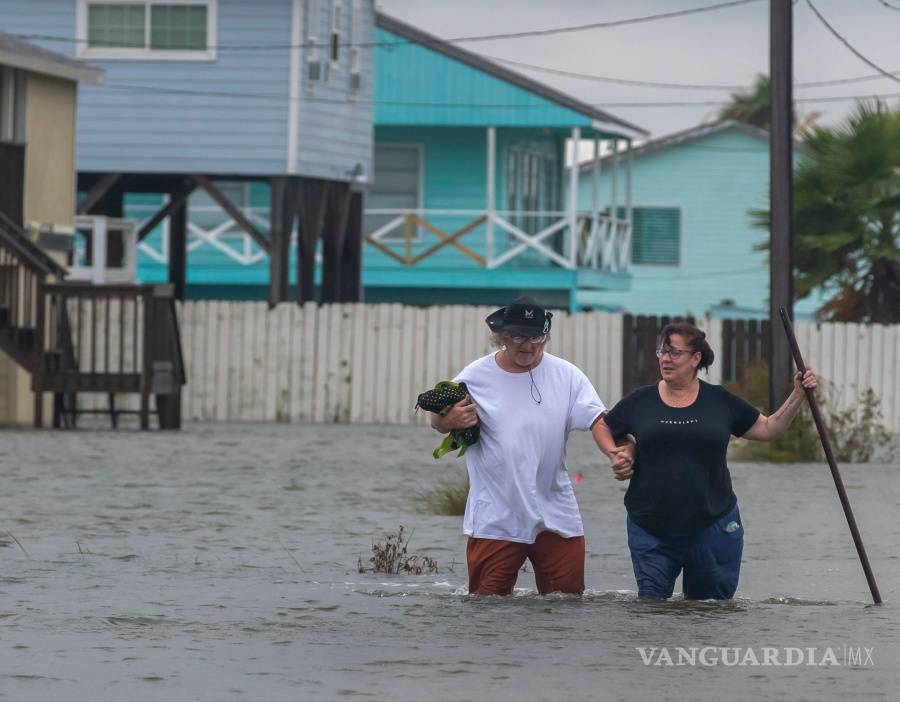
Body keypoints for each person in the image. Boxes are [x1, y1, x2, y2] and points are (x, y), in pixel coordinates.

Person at [595, 321, 817, 600]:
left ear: (695, 358)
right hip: (651, 527)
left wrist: (798, 395)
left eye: (674, 352)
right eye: (662, 352)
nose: (665, 359)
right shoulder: (640, 401)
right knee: (650, 610)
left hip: (713, 524)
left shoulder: (719, 401)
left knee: (709, 611)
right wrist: (615, 452)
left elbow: (769, 428)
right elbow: (604, 426)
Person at [430, 296, 632, 596]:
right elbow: (437, 418)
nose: (528, 345)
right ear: (500, 337)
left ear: (547, 335)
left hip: (555, 510)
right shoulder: (475, 375)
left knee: (567, 602)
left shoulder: (568, 375)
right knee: (486, 606)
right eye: (518, 337)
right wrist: (450, 420)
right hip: (496, 514)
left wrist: (614, 451)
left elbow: (597, 419)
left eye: (536, 336)